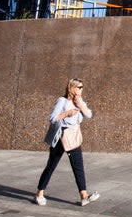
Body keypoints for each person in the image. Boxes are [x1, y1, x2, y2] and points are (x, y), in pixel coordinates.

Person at [34, 78, 100, 206]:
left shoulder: (79, 101)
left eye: (82, 87)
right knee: (51, 166)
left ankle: (84, 196)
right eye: (79, 87)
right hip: (61, 137)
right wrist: (67, 113)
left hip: (74, 136)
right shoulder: (62, 101)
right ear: (72, 88)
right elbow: (52, 118)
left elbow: (89, 115)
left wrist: (81, 105)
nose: (81, 89)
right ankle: (39, 193)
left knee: (78, 167)